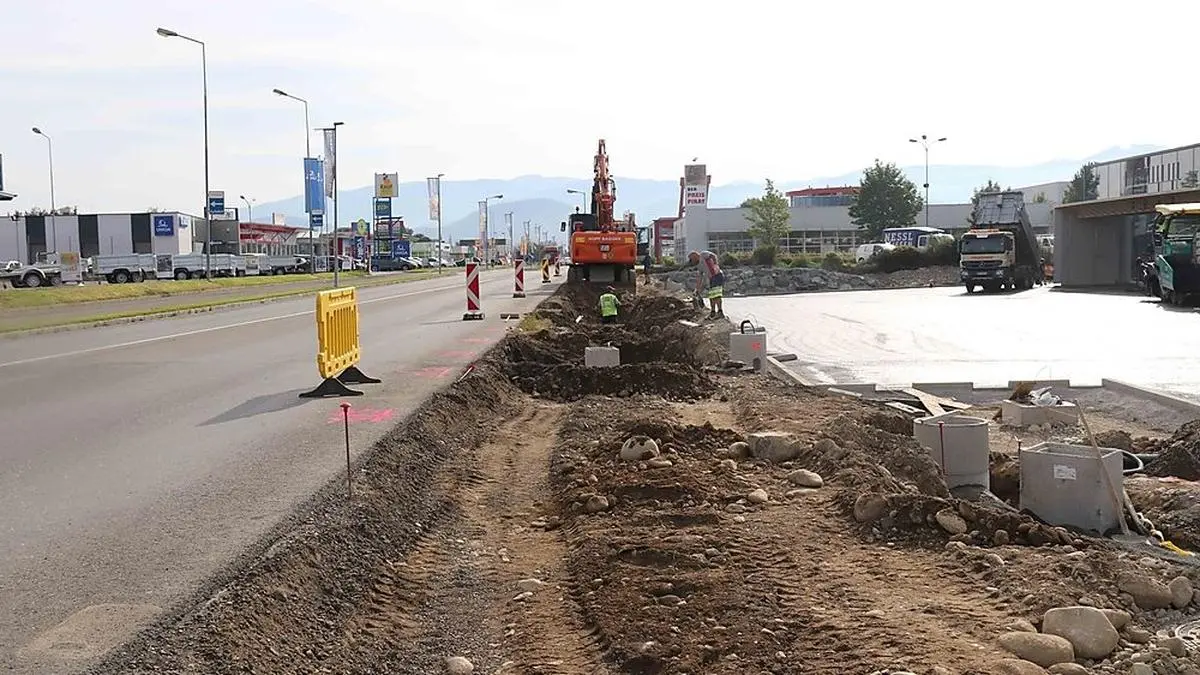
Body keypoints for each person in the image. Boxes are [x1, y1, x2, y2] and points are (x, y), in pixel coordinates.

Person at [687, 250, 724, 319]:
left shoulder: (703, 254)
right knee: (711, 295)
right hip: (711, 278)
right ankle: (713, 312)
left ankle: (720, 312)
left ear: (695, 256)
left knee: (716, 295)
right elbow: (700, 277)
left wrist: (715, 265)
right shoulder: (699, 265)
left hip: (717, 276)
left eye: (692, 259)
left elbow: (713, 256)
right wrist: (697, 289)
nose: (692, 261)